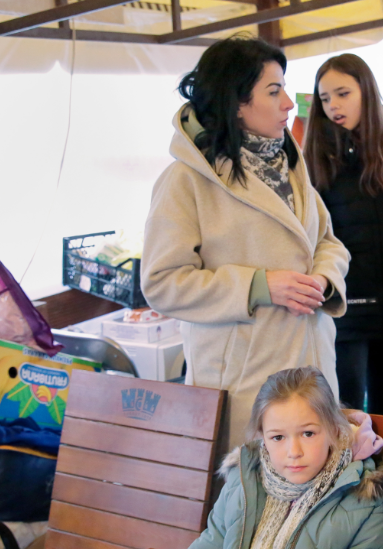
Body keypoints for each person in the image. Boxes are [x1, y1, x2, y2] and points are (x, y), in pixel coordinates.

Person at [141, 36, 350, 453]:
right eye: (274, 91)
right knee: (246, 503)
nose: (289, 103)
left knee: (315, 499)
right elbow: (162, 283)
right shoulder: (185, 180)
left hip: (311, 366)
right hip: (244, 381)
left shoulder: (289, 164)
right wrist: (259, 286)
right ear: (236, 103)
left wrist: (324, 279)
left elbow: (327, 240)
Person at [177, 366, 383, 549]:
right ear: (262, 437)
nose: (293, 452)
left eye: (308, 434)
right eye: (278, 437)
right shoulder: (243, 483)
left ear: (333, 428)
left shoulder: (364, 503)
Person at [303, 54, 383, 414]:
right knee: (347, 414)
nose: (333, 106)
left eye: (342, 93)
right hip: (347, 312)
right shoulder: (318, 160)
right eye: (325, 98)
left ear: (368, 92)